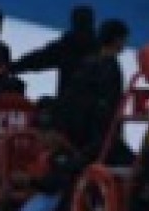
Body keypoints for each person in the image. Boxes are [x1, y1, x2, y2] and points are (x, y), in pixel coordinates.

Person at [55, 17, 132, 165]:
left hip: (79, 134)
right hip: (98, 137)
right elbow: (109, 104)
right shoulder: (110, 67)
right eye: (124, 39)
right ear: (116, 40)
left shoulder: (87, 63)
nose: (125, 44)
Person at [11, 5, 96, 98]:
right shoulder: (101, 47)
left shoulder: (65, 46)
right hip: (95, 106)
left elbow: (38, 59)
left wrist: (12, 67)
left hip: (68, 105)